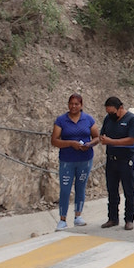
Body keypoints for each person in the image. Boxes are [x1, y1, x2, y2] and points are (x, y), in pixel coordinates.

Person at [50, 94, 99, 230]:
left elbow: (97, 137)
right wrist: (71, 143)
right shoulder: (61, 120)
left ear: (81, 105)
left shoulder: (88, 119)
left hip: (85, 159)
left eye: (76, 104)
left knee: (80, 186)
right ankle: (62, 219)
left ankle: (78, 216)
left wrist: (89, 144)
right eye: (71, 103)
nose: (73, 106)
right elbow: (54, 140)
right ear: (68, 104)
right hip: (67, 159)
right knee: (65, 189)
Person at [100, 97, 134, 230]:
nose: (110, 115)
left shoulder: (131, 119)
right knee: (112, 190)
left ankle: (129, 219)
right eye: (108, 112)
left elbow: (131, 140)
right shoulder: (108, 119)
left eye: (113, 112)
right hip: (111, 159)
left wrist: (111, 141)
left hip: (125, 159)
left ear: (121, 108)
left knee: (128, 190)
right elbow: (102, 135)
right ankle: (112, 218)